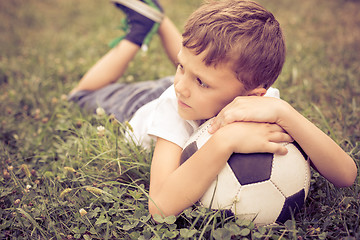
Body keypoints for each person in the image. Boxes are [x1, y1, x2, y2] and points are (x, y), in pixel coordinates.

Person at [69, 0, 357, 218]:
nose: (180, 84)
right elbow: (160, 206)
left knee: (194, 71)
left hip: (189, 99)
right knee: (82, 96)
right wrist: (225, 139)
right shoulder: (174, 104)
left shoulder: (264, 105)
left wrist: (285, 113)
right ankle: (143, 29)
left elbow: (346, 175)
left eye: (202, 82)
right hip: (137, 108)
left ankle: (157, 22)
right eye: (180, 65)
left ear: (254, 94)